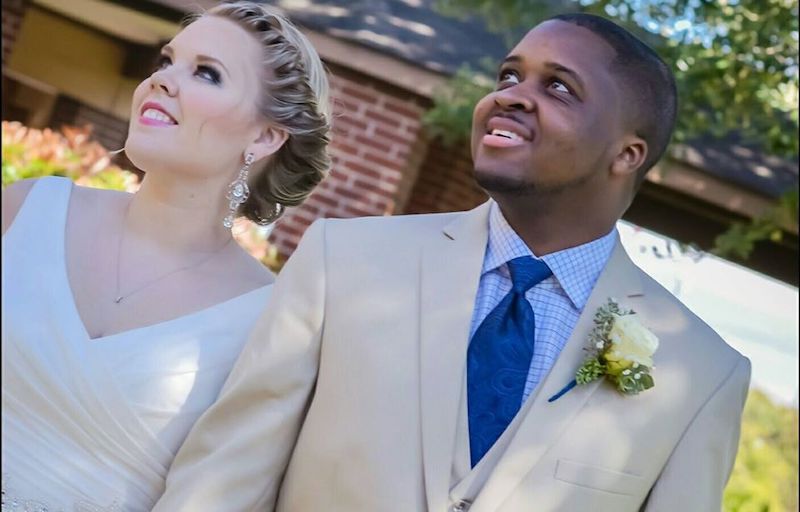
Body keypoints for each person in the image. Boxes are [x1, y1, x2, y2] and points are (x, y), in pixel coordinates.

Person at [154, 13, 750, 512]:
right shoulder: (346, 261)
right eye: (509, 75)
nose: (510, 95)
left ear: (627, 154)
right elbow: (222, 482)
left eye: (559, 87)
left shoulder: (700, 376)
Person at [0, 2, 330, 509]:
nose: (163, 80)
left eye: (206, 73)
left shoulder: (268, 323)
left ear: (264, 136)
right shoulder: (26, 210)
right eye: (166, 62)